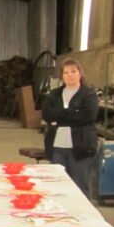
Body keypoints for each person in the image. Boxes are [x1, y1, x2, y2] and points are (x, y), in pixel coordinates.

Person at [42, 58, 99, 196]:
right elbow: (47, 114)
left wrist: (59, 118)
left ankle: (83, 216)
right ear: (62, 76)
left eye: (73, 71)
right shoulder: (54, 94)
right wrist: (73, 112)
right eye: (66, 72)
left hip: (80, 148)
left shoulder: (88, 94)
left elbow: (88, 116)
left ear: (80, 73)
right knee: (57, 187)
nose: (70, 75)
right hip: (57, 148)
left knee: (80, 187)